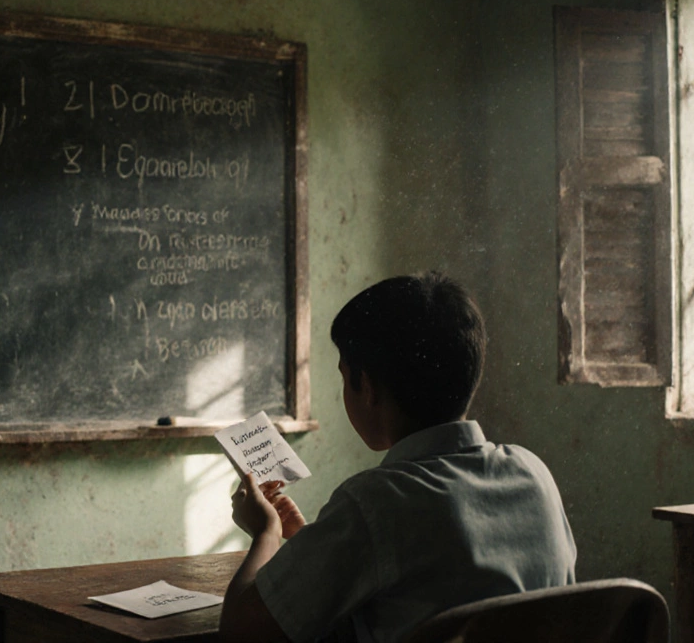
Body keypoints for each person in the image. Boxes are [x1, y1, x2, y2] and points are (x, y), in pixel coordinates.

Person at [219, 272, 576, 643]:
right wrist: (312, 542)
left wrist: (267, 532)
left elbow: (240, 634)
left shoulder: (376, 502)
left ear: (368, 388)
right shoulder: (533, 474)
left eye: (345, 378)